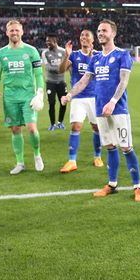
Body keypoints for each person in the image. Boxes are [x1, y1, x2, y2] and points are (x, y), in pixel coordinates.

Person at [62, 20, 140, 202]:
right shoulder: (96, 58)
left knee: (126, 147)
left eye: (104, 31)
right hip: (100, 110)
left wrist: (113, 102)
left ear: (113, 33)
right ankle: (112, 184)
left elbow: (124, 81)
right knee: (109, 147)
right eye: (98, 31)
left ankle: (137, 186)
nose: (100, 33)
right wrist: (69, 95)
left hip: (118, 109)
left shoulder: (123, 55)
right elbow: (84, 81)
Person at [0, 20, 45, 175]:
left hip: (28, 96)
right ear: (7, 33)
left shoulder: (32, 51)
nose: (14, 33)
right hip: (10, 97)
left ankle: (37, 155)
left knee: (32, 129)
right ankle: (20, 163)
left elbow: (39, 74)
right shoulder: (1, 54)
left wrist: (39, 94)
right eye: (11, 30)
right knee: (15, 129)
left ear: (22, 32)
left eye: (17, 30)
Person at [58, 29, 104, 173]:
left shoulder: (98, 55)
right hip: (78, 97)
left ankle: (98, 156)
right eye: (82, 35)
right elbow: (61, 70)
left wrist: (92, 58)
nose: (84, 37)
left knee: (96, 128)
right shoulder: (75, 55)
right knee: (75, 127)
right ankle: (72, 161)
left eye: (87, 35)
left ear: (92, 40)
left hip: (94, 97)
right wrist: (67, 55)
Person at [42, 33, 69, 131]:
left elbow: (67, 64)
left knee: (63, 103)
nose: (47, 43)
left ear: (55, 41)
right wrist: (61, 69)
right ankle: (52, 124)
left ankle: (60, 122)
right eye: (46, 41)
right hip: (50, 82)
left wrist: (64, 68)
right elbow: (48, 67)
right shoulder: (45, 53)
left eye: (49, 41)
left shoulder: (63, 51)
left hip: (61, 81)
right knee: (51, 103)